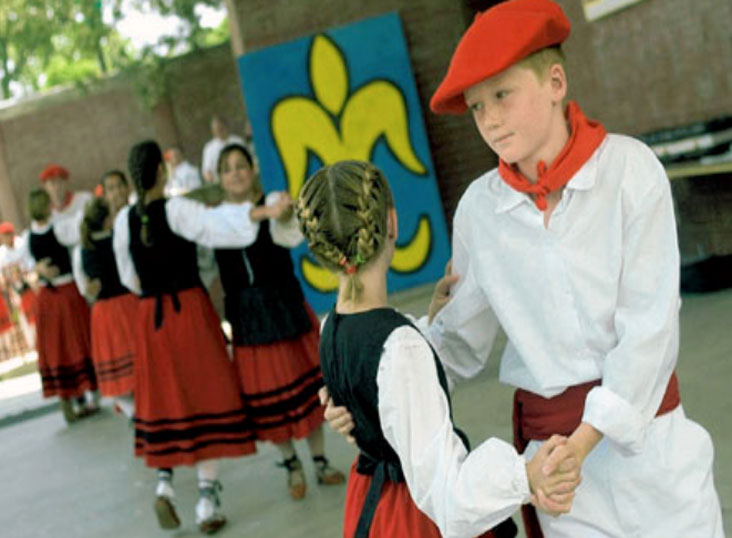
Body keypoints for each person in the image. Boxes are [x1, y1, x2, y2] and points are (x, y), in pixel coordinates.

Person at [323, 1, 725, 537]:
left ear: (555, 81)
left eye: (502, 95)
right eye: (475, 107)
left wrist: (582, 443)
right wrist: (371, 390)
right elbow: (458, 347)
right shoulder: (478, 210)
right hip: (560, 480)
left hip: (650, 452)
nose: (488, 118)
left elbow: (649, 330)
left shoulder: (630, 171)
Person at [297, 160, 581, 538]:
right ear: (392, 223)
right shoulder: (398, 347)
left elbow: (384, 389)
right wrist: (522, 476)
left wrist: (427, 328)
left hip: (373, 500)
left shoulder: (331, 326)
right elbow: (445, 491)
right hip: (417, 515)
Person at [113, 140, 263, 534]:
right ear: (161, 173)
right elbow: (218, 229)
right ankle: (205, 501)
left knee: (163, 400)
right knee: (204, 400)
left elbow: (129, 277)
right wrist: (256, 212)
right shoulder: (178, 209)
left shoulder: (124, 221)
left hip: (151, 318)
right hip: (188, 313)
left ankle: (164, 486)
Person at [209, 143, 344, 500]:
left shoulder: (273, 202)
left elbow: (290, 230)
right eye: (228, 168)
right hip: (248, 316)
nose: (236, 173)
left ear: (251, 170)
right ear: (219, 178)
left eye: (241, 165)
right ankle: (292, 465)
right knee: (268, 396)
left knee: (310, 387)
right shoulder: (216, 218)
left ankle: (318, 461)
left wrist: (283, 211)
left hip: (283, 304)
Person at [22, 189, 97, 423]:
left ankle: (78, 399)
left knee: (64, 348)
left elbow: (28, 265)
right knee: (71, 345)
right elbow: (28, 266)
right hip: (62, 294)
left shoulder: (34, 235)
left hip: (51, 295)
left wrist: (38, 270)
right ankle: (80, 397)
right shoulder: (54, 230)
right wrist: (39, 270)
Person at [80, 183, 137, 419]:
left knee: (116, 372)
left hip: (104, 312)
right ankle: (141, 410)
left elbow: (90, 285)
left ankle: (133, 410)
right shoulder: (116, 239)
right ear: (106, 220)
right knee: (137, 362)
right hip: (127, 305)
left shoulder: (86, 247)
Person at [201, 115, 245, 184]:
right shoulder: (209, 148)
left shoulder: (238, 141)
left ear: (226, 126)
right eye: (215, 129)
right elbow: (207, 171)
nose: (218, 131)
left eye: (220, 128)